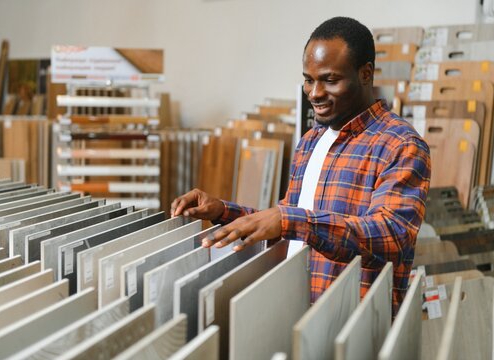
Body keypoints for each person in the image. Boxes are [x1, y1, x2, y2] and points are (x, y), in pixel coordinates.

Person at [171, 16, 431, 316]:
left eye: (330, 80)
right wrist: (223, 212)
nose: (315, 93)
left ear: (366, 73)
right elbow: (288, 224)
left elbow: (390, 236)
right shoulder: (311, 140)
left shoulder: (401, 144)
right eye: (309, 79)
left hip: (359, 328)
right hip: (303, 317)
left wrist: (290, 221)